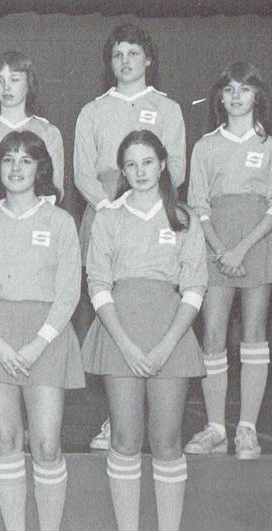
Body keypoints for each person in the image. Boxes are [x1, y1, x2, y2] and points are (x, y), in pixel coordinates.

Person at [81, 130, 206, 531]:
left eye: (147, 162)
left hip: (170, 333)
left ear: (163, 165)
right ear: (122, 169)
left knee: (167, 440)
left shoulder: (184, 218)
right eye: (131, 164)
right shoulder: (108, 217)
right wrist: (127, 345)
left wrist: (168, 343)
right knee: (125, 438)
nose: (139, 172)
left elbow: (194, 286)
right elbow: (98, 283)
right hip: (121, 334)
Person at [0, 131, 83, 531]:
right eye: (8, 160)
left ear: (40, 169)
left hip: (46, 338)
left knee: (47, 444)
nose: (16, 168)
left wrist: (38, 343)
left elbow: (69, 291)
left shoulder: (60, 222)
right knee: (6, 439)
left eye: (25, 161)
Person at [74, 23, 186, 451]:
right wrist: (111, 209)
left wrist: (144, 208)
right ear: (110, 62)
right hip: (105, 211)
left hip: (152, 214)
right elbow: (82, 171)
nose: (125, 61)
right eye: (118, 54)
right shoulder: (93, 110)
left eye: (133, 53)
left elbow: (176, 166)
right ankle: (114, 416)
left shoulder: (167, 108)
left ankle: (153, 412)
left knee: (148, 304)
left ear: (148, 59)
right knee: (106, 310)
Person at [183, 62, 272, 460]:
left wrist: (242, 248)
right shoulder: (205, 146)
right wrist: (220, 248)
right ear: (219, 96)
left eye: (244, 89)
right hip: (215, 245)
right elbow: (197, 204)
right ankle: (216, 428)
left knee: (253, 332)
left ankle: (247, 429)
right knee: (213, 333)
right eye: (229, 89)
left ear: (257, 96)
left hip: (258, 242)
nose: (236, 96)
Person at [0, 51, 64, 210]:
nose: (6, 87)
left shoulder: (48, 132)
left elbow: (55, 189)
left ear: (29, 83)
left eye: (14, 79)